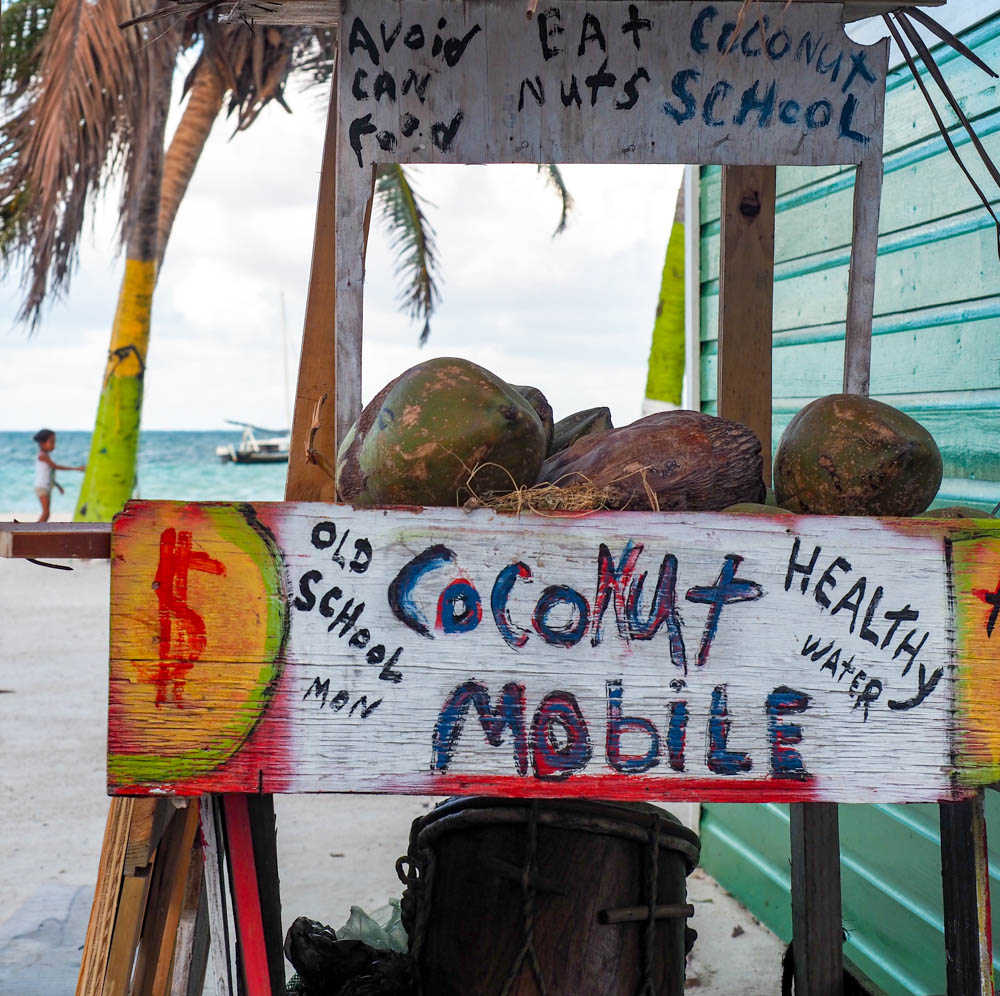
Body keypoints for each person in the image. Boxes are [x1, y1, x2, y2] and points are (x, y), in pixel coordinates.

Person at [33, 429, 84, 522]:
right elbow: (55, 467)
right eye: (52, 442)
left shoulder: (45, 455)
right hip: (42, 487)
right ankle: (34, 532)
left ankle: (37, 531)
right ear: (42, 443)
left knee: (47, 513)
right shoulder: (42, 456)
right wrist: (76, 468)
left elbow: (48, 475)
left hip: (46, 487)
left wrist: (58, 486)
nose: (54, 445)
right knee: (46, 513)